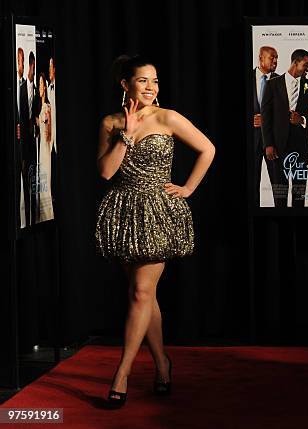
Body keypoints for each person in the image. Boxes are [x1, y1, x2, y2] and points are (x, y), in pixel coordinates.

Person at [95, 54, 215, 408]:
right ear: (125, 84)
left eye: (156, 81)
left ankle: (123, 373)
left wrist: (189, 188)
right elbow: (104, 172)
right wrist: (127, 137)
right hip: (123, 211)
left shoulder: (168, 117)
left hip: (157, 212)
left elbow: (208, 149)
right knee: (143, 295)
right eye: (144, 80)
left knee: (141, 293)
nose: (151, 87)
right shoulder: (110, 123)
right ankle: (163, 364)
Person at [261, 49, 308, 207]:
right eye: (306, 65)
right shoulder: (272, 84)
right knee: (279, 194)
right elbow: (266, 117)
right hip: (277, 148)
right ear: (295, 62)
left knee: (298, 195)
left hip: (300, 147)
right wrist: (268, 144)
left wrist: (301, 119)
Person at [253, 46, 278, 206]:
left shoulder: (280, 80)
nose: (275, 61)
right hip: (251, 140)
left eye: (277, 58)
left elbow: (285, 110)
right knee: (251, 185)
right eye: (272, 58)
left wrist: (268, 119)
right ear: (261, 58)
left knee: (278, 185)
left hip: (273, 142)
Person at [36, 73, 54, 222]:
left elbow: (48, 131)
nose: (40, 87)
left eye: (42, 84)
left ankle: (48, 216)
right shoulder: (42, 107)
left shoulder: (47, 107)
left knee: (46, 179)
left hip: (45, 148)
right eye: (39, 84)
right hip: (40, 147)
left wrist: (42, 123)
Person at [16, 48, 30, 227]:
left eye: (22, 62)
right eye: (18, 61)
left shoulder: (26, 87)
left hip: (24, 150)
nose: (20, 65)